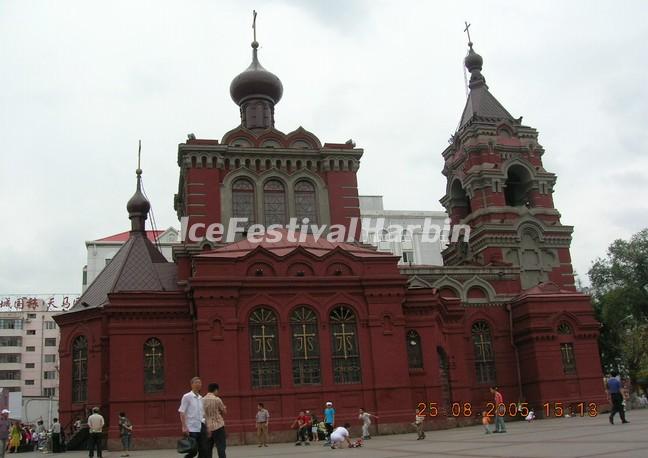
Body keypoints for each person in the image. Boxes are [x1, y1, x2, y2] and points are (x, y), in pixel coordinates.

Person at [179, 376, 207, 458]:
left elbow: (203, 413)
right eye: (196, 382)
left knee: (203, 449)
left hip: (201, 427)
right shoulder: (187, 397)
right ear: (191, 385)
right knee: (193, 450)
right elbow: (182, 412)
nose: (199, 384)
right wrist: (184, 426)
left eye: (200, 383)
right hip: (191, 428)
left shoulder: (201, 398)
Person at [203, 383, 227, 458]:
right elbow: (224, 412)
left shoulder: (202, 400)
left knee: (208, 448)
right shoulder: (217, 399)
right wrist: (224, 408)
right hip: (218, 426)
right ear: (216, 390)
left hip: (207, 427)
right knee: (221, 447)